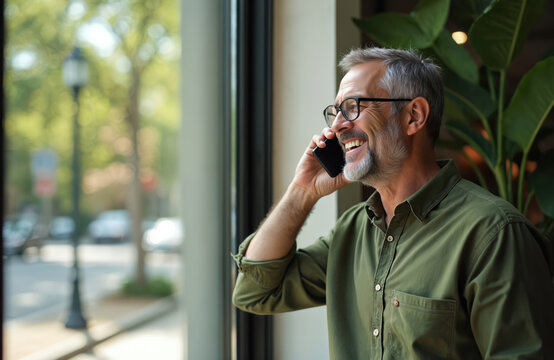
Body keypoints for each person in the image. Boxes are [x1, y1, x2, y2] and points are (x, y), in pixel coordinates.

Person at [232, 47, 554, 359]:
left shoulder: (493, 234)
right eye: (336, 111)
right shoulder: (352, 231)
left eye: (354, 106)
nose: (337, 126)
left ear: (414, 116)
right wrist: (302, 192)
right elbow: (256, 291)